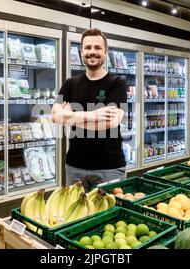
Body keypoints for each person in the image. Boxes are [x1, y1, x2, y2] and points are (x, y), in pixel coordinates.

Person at [51, 28, 127, 191]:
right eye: (88, 48)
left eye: (97, 48)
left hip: (109, 169)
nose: (92, 52)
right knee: (77, 216)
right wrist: (94, 115)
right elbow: (55, 115)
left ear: (106, 52)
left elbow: (111, 122)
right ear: (81, 52)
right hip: (74, 168)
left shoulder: (117, 83)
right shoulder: (69, 84)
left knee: (110, 216)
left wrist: (71, 116)